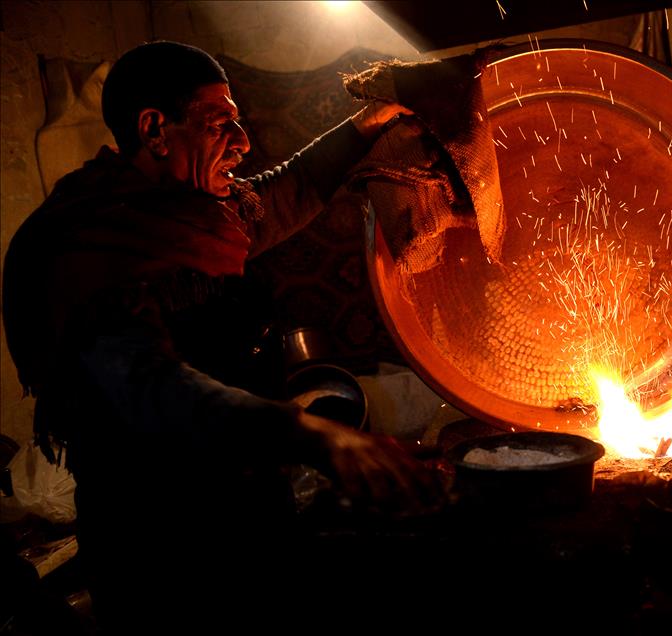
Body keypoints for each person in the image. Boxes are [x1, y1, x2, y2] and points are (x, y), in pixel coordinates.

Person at [1, 41, 441, 633]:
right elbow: (150, 387)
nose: (242, 141)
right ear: (155, 129)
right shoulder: (93, 243)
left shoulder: (195, 214)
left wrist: (371, 122)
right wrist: (310, 433)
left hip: (246, 506)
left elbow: (289, 189)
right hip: (160, 547)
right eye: (219, 123)